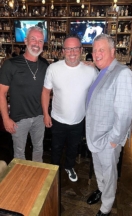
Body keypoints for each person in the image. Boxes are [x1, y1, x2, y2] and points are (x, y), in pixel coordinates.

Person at [85, 34, 132, 216]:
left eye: (101, 50)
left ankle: (106, 206)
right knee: (99, 169)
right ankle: (101, 189)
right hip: (96, 136)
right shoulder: (102, 71)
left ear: (113, 51)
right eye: (94, 50)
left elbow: (124, 114)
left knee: (109, 174)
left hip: (108, 138)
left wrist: (114, 140)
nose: (96, 54)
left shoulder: (123, 74)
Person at [41, 35, 97, 182]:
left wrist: (95, 64)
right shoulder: (53, 68)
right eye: (68, 49)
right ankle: (54, 170)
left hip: (79, 120)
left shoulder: (90, 71)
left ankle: (69, 166)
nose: (72, 52)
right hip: (57, 118)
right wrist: (46, 114)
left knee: (73, 147)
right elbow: (46, 92)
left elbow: (98, 92)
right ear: (63, 51)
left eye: (75, 48)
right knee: (56, 147)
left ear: (81, 49)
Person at [0, 26, 49, 162]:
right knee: (19, 154)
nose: (36, 43)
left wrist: (87, 64)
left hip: (39, 117)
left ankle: (37, 179)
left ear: (43, 44)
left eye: (40, 41)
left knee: (38, 149)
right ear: (26, 41)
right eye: (33, 39)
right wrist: (5, 118)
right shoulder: (11, 64)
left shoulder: (45, 65)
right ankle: (21, 181)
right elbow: (1, 94)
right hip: (19, 119)